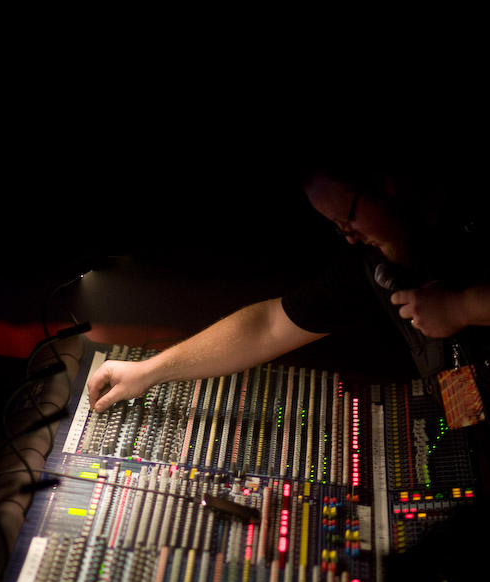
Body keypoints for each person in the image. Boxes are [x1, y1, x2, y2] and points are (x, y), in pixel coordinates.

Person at [87, 148, 489, 430]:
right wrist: (149, 372)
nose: (349, 238)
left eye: (348, 221)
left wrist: (464, 307)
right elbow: (269, 325)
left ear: (386, 184)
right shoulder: (374, 260)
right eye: (337, 228)